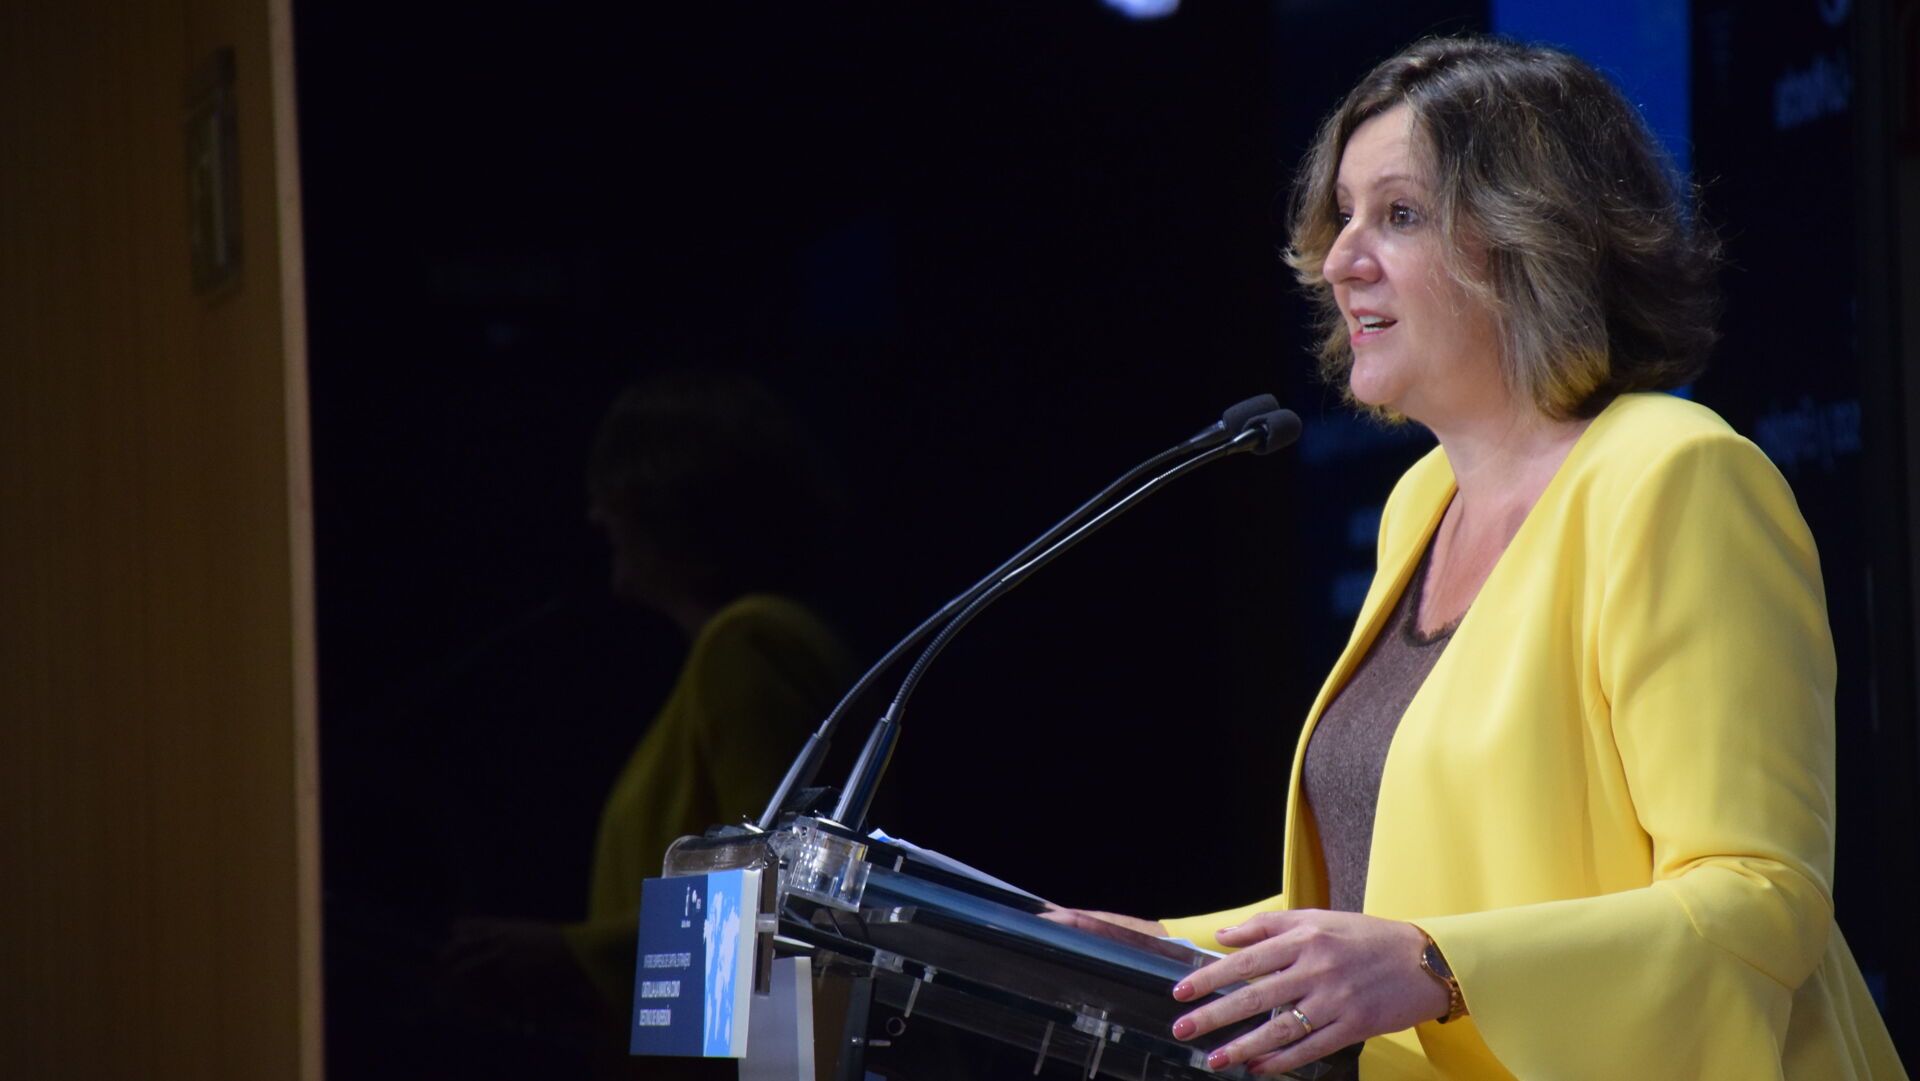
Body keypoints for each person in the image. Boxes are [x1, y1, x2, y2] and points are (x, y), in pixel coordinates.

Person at [1050, 35, 1907, 1080]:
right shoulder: (1422, 504)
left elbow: (1758, 901)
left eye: (1399, 214)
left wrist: (1438, 966)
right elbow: (1403, 897)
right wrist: (1159, 949)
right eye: (1344, 214)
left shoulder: (1675, 476)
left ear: (1534, 238)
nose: (1340, 259)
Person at [440, 370, 853, 1078]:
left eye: (616, 488)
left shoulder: (749, 641)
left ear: (671, 498)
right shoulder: (754, 644)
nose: (596, 514)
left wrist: (568, 956)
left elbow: (781, 899)